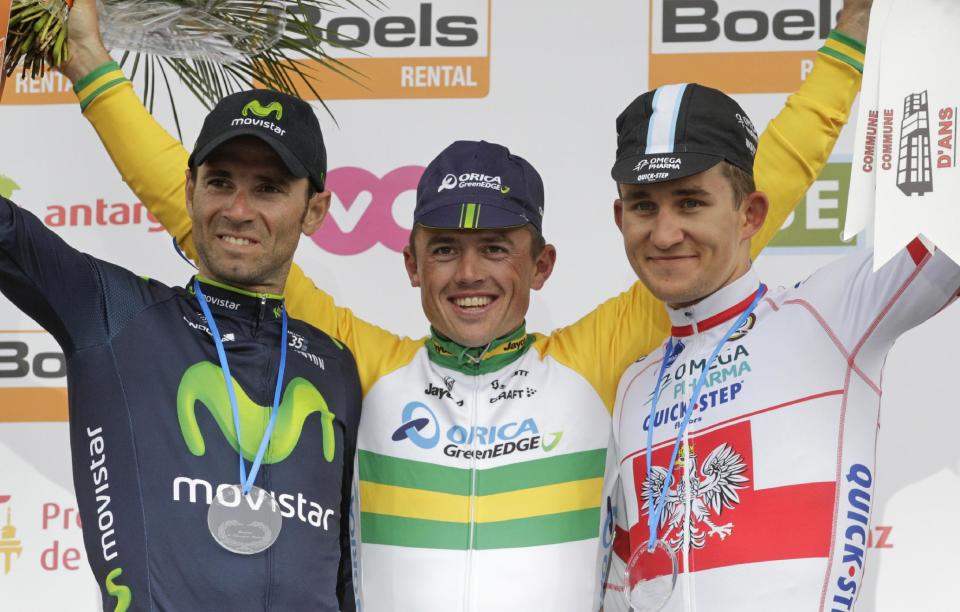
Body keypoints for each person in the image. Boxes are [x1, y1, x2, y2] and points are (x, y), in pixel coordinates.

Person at [54, 1, 868, 609]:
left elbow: (757, 199)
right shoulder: (364, 368)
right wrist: (95, 72)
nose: (468, 274)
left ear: (541, 263)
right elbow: (205, 214)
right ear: (411, 264)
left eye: (496, 248)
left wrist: (848, 45)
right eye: (444, 248)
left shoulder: (593, 360)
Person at [0, 89, 361, 611]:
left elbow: (348, 570)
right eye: (220, 182)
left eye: (268, 188)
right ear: (190, 188)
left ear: (314, 210)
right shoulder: (114, 313)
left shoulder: (335, 366)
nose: (238, 210)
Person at [606, 83, 960, 611]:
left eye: (690, 202)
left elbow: (947, 231)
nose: (663, 233)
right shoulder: (634, 386)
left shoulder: (833, 313)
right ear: (620, 219)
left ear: (750, 214)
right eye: (643, 206)